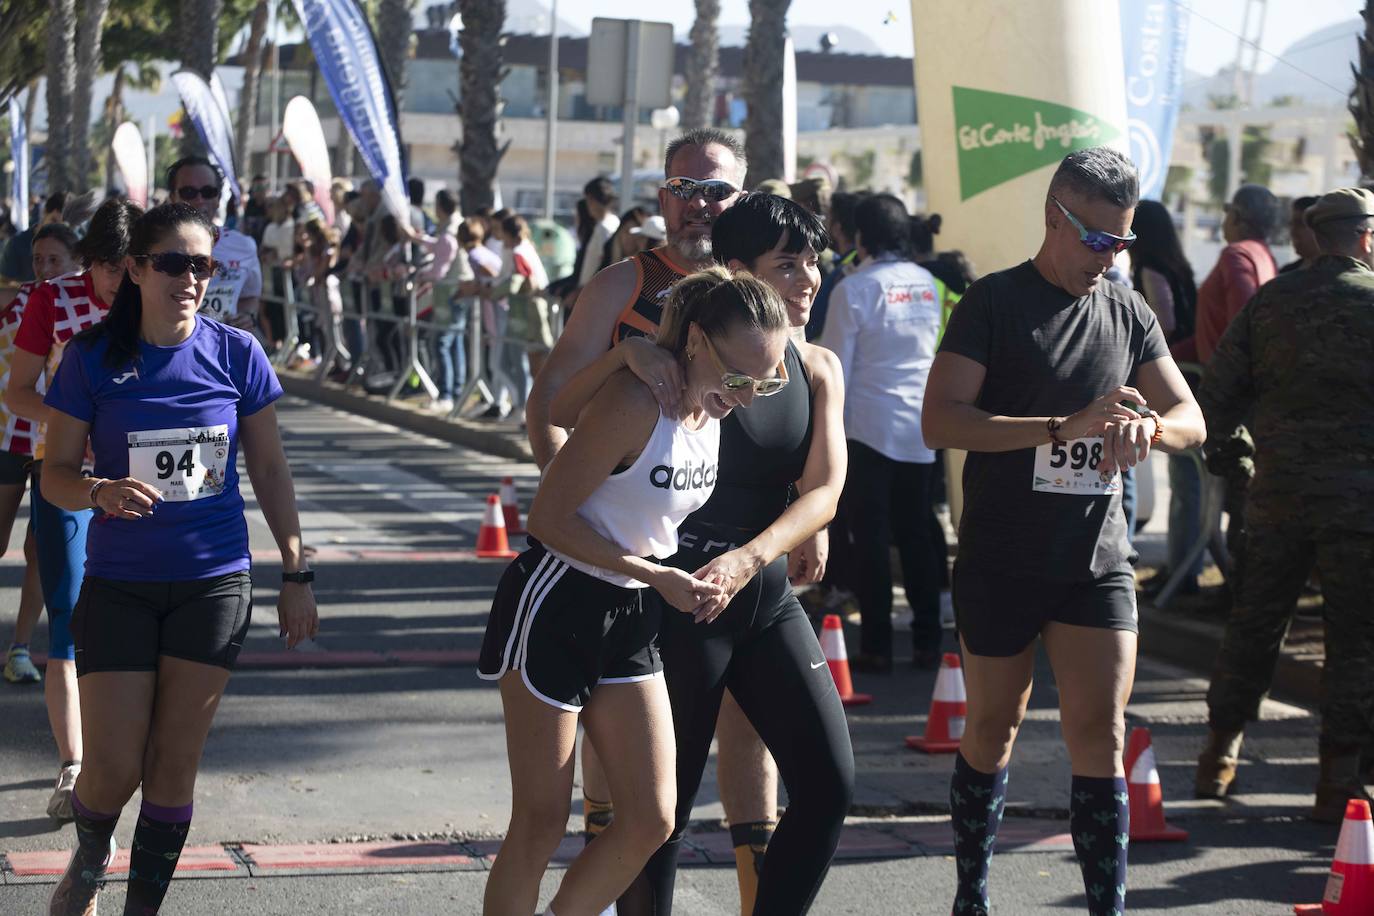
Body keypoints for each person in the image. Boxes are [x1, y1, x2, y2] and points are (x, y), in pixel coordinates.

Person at [550, 192, 854, 914]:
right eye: (789, 265)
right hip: (673, 605)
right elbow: (557, 412)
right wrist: (625, 353)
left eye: (815, 262)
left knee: (830, 785)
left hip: (759, 595)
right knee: (659, 817)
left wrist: (755, 557)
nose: (809, 279)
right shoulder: (669, 368)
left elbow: (825, 489)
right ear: (738, 273)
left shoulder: (817, 368)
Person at [923, 147, 1205, 916]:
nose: (1111, 258)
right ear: (1053, 217)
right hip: (1002, 556)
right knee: (992, 726)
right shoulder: (993, 303)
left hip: (1096, 558)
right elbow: (939, 420)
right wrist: (1061, 426)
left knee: (1100, 733)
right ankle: (971, 895)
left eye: (1123, 243)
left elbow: (1192, 417)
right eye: (1097, 240)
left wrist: (1151, 428)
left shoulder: (1126, 308)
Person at [479, 267, 788, 916]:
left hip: (630, 612)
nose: (751, 396)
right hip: (556, 602)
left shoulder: (713, 400)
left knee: (651, 819)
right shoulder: (639, 399)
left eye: (768, 380)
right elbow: (548, 519)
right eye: (741, 379)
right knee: (539, 823)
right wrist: (657, 574)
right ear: (698, 341)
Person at [39, 201, 317, 914]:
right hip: (121, 586)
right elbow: (56, 474)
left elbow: (272, 471)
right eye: (172, 263)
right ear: (135, 269)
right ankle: (93, 846)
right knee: (111, 769)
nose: (190, 278)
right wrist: (99, 490)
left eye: (203, 265)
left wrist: (295, 572)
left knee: (173, 765)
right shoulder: (91, 358)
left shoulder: (236, 353)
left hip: (213, 584)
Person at [1193, 188, 1374, 822]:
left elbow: (1215, 397)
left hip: (1276, 500)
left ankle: (1217, 755)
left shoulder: (1272, 302)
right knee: (1356, 641)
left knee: (1254, 625)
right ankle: (1338, 783)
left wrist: (1239, 464)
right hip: (1361, 512)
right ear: (1367, 237)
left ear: (1318, 236)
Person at [6, 197, 143, 826]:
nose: (120, 280)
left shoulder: (152, 293)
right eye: (110, 267)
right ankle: (74, 764)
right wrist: (75, 432)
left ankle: (133, 746)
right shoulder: (51, 300)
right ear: (91, 261)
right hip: (66, 474)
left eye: (130, 266)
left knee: (137, 607)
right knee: (67, 606)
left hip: (142, 478)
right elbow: (18, 392)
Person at [819, 194, 946, 673]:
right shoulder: (928, 284)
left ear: (860, 236)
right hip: (919, 427)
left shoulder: (854, 289)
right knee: (916, 535)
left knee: (870, 539)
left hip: (866, 428)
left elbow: (834, 368)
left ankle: (875, 645)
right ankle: (928, 641)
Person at [2, 223, 82, 686]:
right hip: (5, 434)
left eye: (55, 260)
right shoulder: (23, 301)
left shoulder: (77, 309)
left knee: (40, 550)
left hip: (47, 440)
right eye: (38, 260)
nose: (45, 269)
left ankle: (20, 649)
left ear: (76, 263)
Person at [1129, 200, 1205, 598]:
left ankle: (1183, 572)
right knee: (1190, 484)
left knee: (1185, 482)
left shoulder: (1150, 270)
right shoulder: (1179, 266)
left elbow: (1166, 323)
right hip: (1193, 376)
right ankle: (1184, 567)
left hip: (1177, 376)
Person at [165, 157, 264, 336]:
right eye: (188, 192)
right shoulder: (155, 247)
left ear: (218, 198)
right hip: (173, 347)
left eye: (208, 191)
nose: (199, 199)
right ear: (172, 197)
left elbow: (250, 297)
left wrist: (248, 316)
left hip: (224, 349)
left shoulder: (244, 246)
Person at [1188, 183, 1278, 365]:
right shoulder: (1265, 255)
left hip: (1223, 378)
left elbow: (1239, 325)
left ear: (1236, 216)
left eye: (1227, 210)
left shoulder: (1237, 255)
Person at [805, 191, 863, 342]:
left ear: (837, 228)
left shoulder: (842, 273)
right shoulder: (861, 263)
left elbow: (810, 324)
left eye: (829, 218)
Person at [1, 192, 71, 305]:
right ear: (44, 213)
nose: (58, 229)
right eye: (54, 220)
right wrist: (35, 289)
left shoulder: (73, 244)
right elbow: (4, 283)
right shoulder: (17, 243)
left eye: (64, 225)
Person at [576, 177, 621, 291]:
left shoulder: (604, 228)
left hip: (593, 291)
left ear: (591, 200)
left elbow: (605, 264)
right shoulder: (612, 222)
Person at [1279, 195, 1320, 274]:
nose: (1293, 231)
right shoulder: (1286, 273)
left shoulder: (1337, 276)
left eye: (1300, 224)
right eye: (1291, 224)